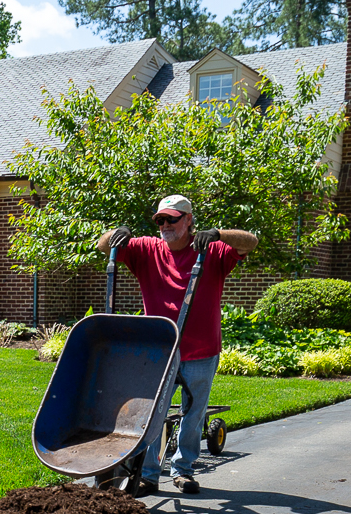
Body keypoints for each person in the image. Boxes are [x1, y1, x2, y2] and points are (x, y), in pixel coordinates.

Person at [97, 198, 258, 495]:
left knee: (193, 415)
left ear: (188, 220)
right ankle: (148, 474)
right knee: (152, 414)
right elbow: (104, 247)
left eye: (172, 219)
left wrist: (219, 234)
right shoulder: (146, 249)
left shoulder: (210, 249)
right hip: (160, 350)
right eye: (161, 221)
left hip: (202, 349)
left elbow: (251, 241)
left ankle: (183, 470)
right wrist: (116, 233)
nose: (166, 226)